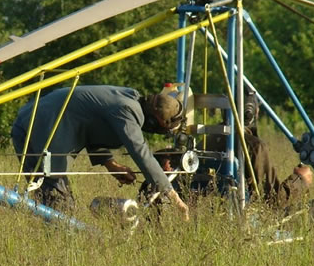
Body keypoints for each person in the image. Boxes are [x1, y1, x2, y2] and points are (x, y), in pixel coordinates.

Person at [10, 85, 190, 220]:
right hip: (36, 127)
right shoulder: (127, 110)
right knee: (59, 205)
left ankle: (51, 241)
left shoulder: (129, 98)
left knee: (52, 201)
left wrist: (112, 165)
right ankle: (58, 249)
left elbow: (92, 128)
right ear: (154, 120)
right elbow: (140, 151)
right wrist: (173, 196)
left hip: (31, 121)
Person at [192, 90, 313, 209]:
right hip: (243, 219)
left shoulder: (204, 142)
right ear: (250, 111)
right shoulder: (255, 146)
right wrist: (299, 180)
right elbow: (272, 200)